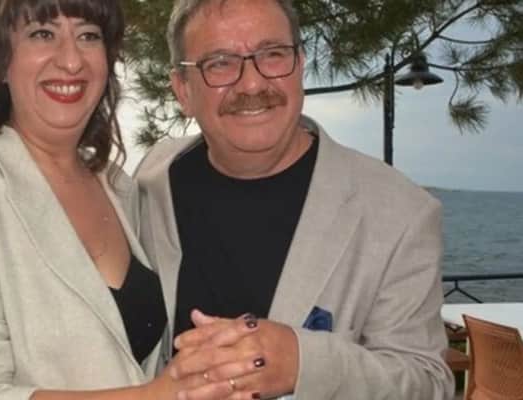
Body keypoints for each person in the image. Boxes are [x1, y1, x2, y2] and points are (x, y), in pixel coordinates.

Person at [0, 1, 259, 399]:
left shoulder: (120, 189)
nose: (71, 60)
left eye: (88, 36)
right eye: (42, 34)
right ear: (1, 60)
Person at [135, 0, 456, 399]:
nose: (252, 85)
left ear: (300, 65)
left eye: (272, 54)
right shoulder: (153, 180)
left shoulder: (401, 213)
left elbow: (428, 383)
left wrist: (304, 363)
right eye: (220, 63)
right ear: (183, 90)